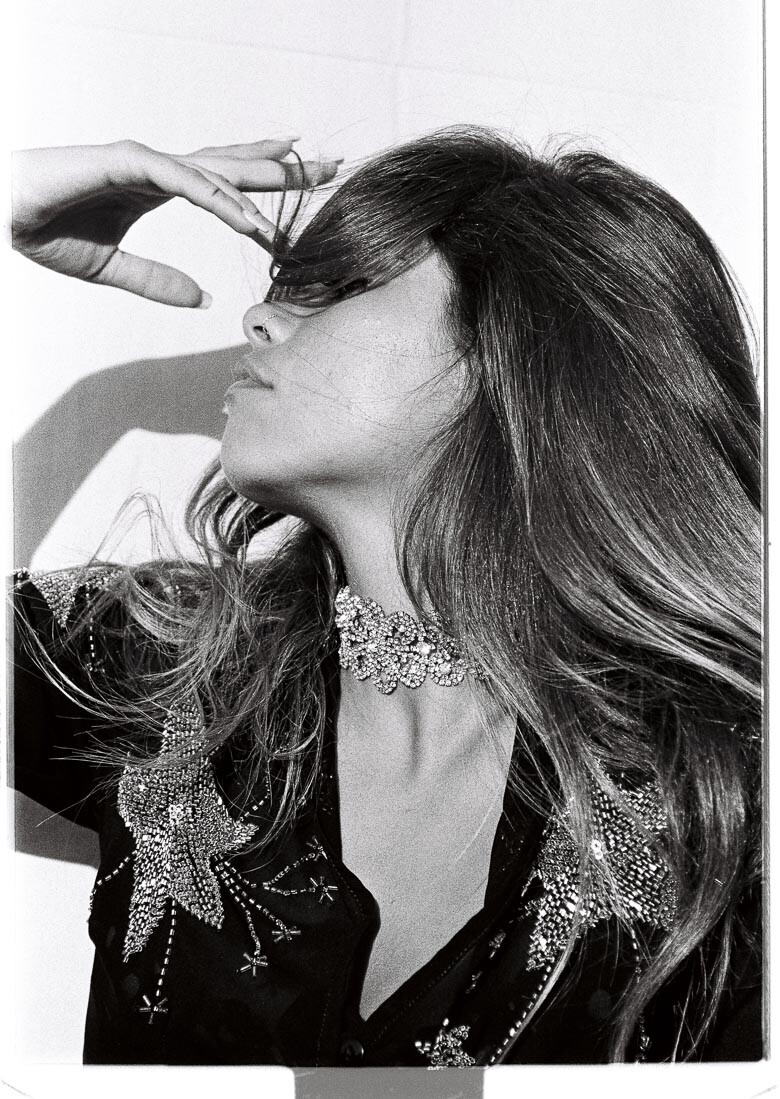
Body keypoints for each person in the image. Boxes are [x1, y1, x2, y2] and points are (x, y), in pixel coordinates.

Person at [10, 127, 762, 1067]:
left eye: (340, 288)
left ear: (523, 355)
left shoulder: (725, 796)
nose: (259, 319)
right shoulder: (159, 668)